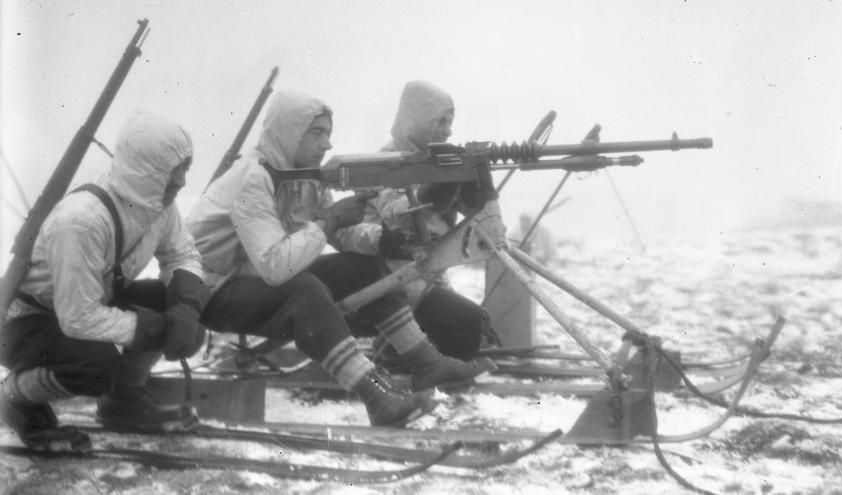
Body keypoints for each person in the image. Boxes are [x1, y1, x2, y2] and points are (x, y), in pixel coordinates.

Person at [186, 90, 492, 428]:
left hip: (254, 280)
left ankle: (426, 361)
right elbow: (276, 266)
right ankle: (377, 398)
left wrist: (384, 240)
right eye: (317, 134)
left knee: (360, 268)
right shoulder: (252, 178)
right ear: (289, 134)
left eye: (328, 134)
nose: (327, 145)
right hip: (209, 292)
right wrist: (329, 220)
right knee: (304, 289)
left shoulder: (305, 178)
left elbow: (342, 235)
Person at [0, 111, 209, 451]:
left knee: (167, 300)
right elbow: (77, 317)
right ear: (149, 170)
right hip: (25, 320)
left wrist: (185, 308)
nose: (184, 180)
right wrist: (154, 329)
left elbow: (182, 255)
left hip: (82, 304)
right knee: (95, 365)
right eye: (176, 168)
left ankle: (124, 401)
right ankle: (15, 398)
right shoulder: (81, 221)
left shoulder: (158, 204)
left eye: (187, 166)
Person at [365, 80, 496, 364]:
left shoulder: (436, 161)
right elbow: (397, 215)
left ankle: (407, 352)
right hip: (390, 278)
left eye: (450, 122)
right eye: (441, 122)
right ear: (418, 121)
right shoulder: (384, 162)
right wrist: (439, 188)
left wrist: (475, 180)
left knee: (479, 327)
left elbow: (476, 212)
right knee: (468, 324)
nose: (449, 130)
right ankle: (399, 357)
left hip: (429, 276)